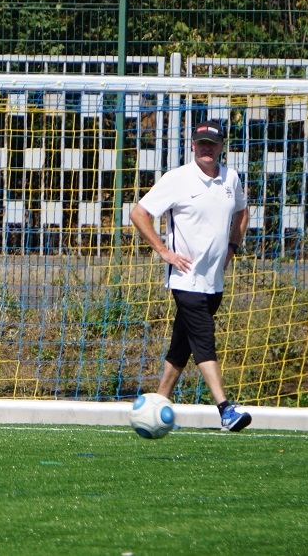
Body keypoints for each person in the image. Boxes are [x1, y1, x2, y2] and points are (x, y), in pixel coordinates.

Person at [129, 119, 251, 432]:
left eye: (213, 143)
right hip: (185, 279)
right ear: (193, 146)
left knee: (182, 344)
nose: (207, 148)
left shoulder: (231, 178)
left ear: (222, 146)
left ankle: (158, 402)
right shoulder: (177, 179)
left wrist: (232, 247)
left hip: (214, 281)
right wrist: (163, 251)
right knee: (203, 340)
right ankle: (225, 409)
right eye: (202, 143)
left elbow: (242, 210)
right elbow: (139, 213)